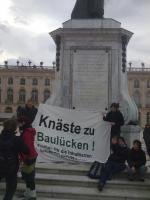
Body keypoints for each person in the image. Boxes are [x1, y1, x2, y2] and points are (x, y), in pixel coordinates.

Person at [0, 119, 29, 200]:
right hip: (11, 168)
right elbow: (27, 150)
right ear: (14, 128)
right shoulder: (17, 139)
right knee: (10, 190)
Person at [18, 116, 38, 200]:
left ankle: (32, 195)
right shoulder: (26, 131)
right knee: (26, 176)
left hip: (28, 157)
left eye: (19, 122)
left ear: (23, 122)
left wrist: (25, 158)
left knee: (29, 176)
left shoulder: (27, 133)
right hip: (28, 156)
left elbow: (27, 147)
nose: (18, 124)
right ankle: (28, 193)